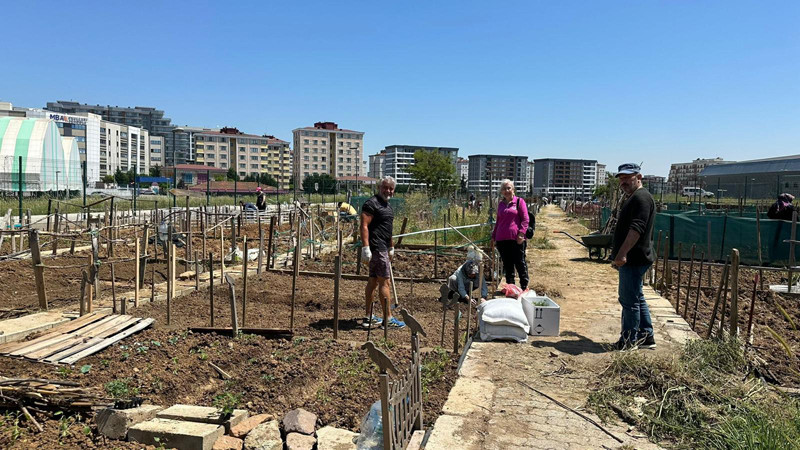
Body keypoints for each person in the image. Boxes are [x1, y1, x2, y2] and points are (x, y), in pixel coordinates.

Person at [610, 163, 657, 351]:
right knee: (637, 297)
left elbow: (637, 229)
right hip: (636, 257)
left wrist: (622, 254)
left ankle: (629, 341)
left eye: (627, 177)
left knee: (629, 301)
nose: (623, 182)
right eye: (621, 178)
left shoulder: (641, 198)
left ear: (639, 177)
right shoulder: (634, 197)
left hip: (634, 258)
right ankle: (646, 336)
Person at [360, 176, 405, 328]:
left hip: (383, 248)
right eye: (385, 187)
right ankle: (388, 319)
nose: (388, 191)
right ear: (379, 187)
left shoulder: (387, 206)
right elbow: (364, 226)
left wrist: (391, 247)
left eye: (391, 188)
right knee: (384, 282)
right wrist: (366, 247)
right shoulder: (371, 204)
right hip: (376, 248)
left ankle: (368, 316)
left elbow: (387, 230)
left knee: (373, 281)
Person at [491, 179, 530, 290]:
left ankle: (524, 286)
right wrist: (493, 237)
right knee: (507, 264)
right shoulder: (501, 204)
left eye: (509, 188)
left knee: (519, 262)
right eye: (504, 189)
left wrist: (521, 233)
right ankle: (511, 287)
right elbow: (498, 221)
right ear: (501, 191)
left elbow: (525, 219)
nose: (507, 190)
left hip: (516, 238)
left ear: (513, 189)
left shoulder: (519, 202)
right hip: (502, 239)